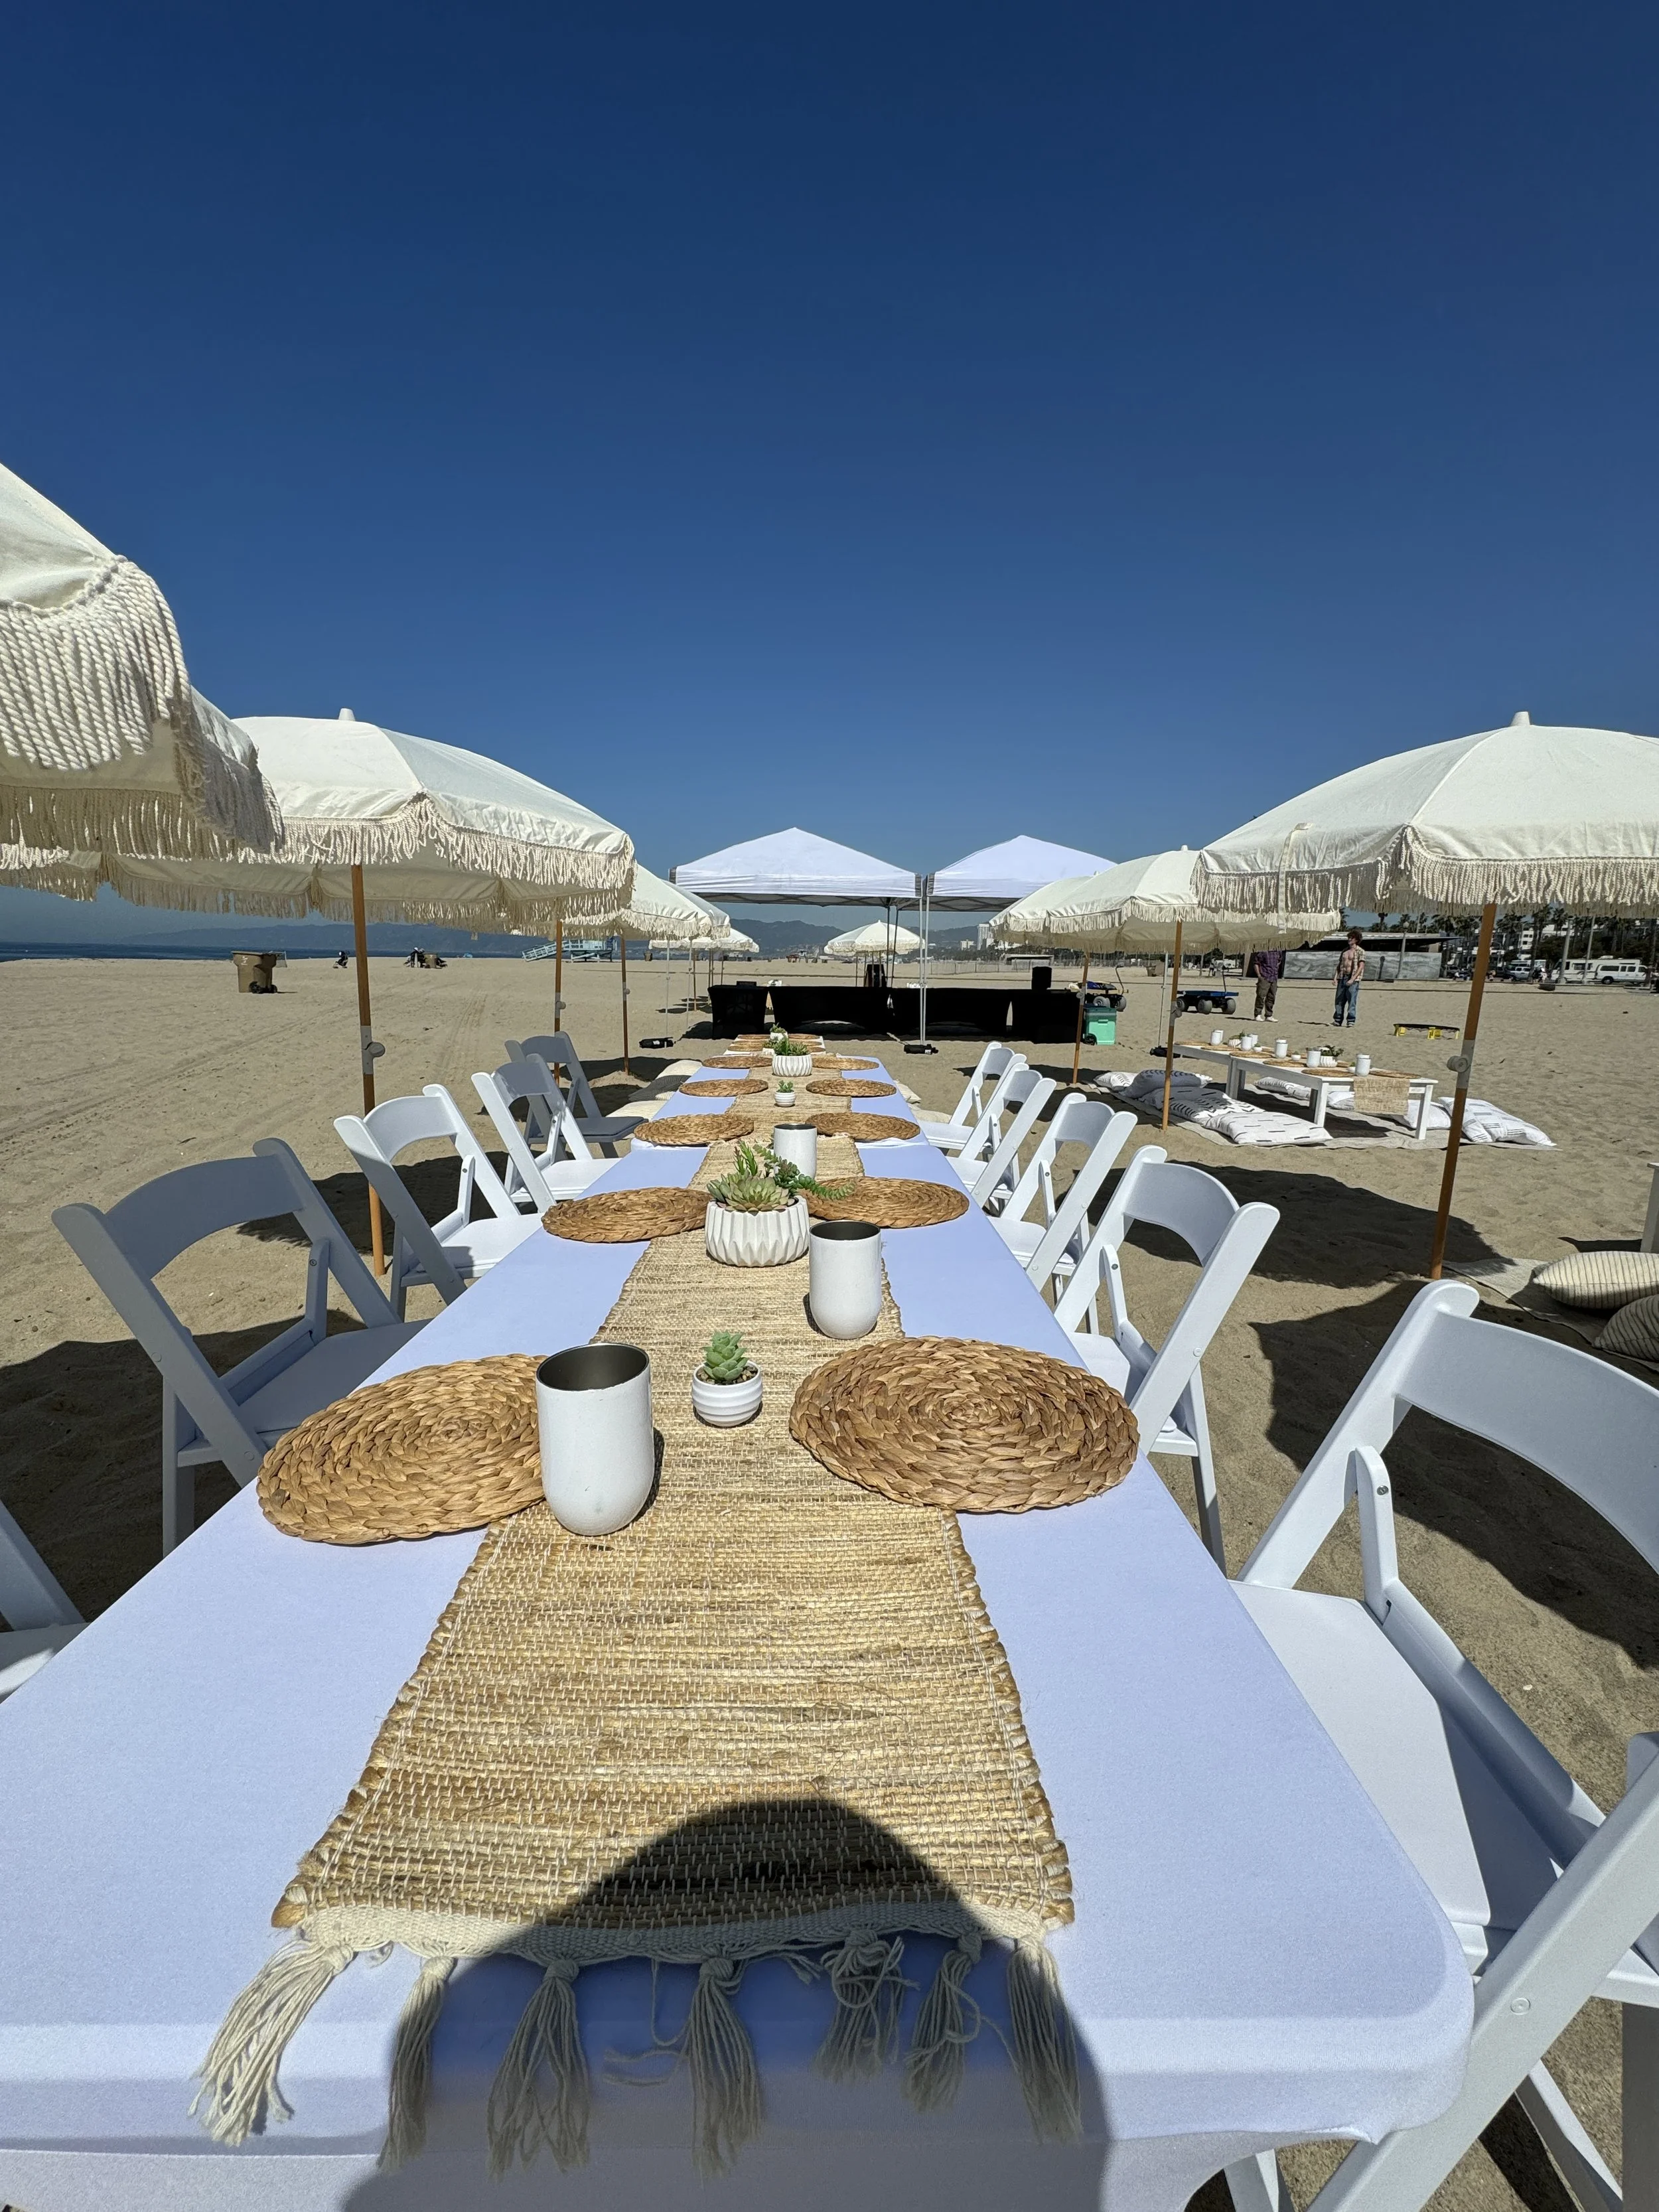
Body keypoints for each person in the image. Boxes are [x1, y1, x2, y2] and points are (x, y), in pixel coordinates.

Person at [1333, 929, 1365, 1026]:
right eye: (1349, 937)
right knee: (1339, 1000)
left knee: (1351, 1000)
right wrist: (1335, 977)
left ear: (1356, 940)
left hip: (1353, 978)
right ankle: (1338, 1020)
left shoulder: (1360, 951)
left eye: (1352, 938)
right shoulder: (1345, 951)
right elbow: (1339, 965)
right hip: (1342, 977)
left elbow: (1361, 966)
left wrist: (1353, 978)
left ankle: (1351, 1020)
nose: (1349, 939)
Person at [1248, 946, 1283, 1020]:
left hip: (1274, 977)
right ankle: (1258, 1014)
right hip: (1265, 977)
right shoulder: (1263, 951)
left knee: (1272, 997)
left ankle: (1269, 1015)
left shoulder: (1278, 951)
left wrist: (1276, 969)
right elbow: (1256, 963)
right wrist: (1259, 975)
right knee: (1261, 996)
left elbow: (1279, 960)